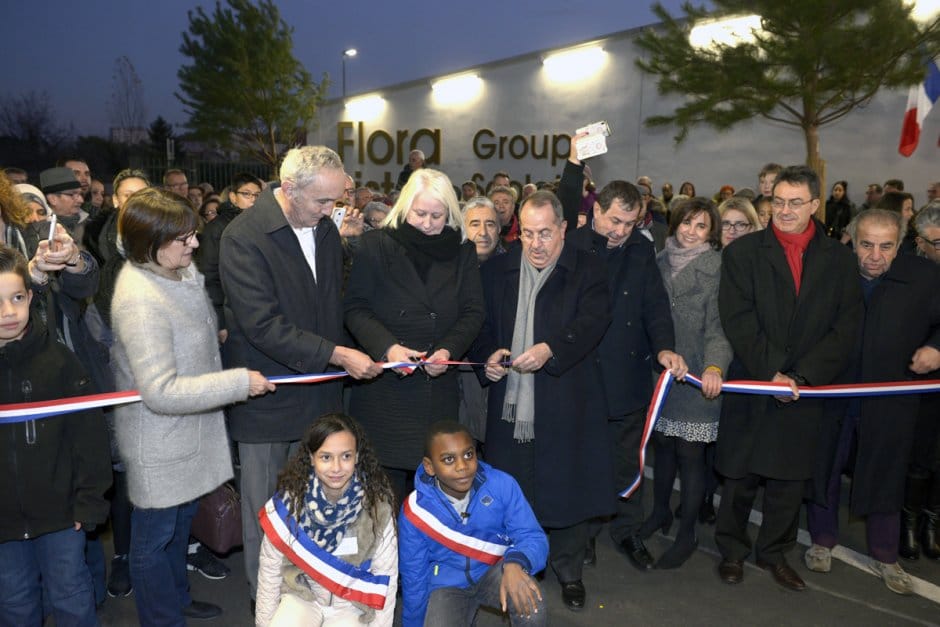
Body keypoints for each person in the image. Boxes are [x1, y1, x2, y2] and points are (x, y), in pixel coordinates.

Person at [220, 146, 381, 606]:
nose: (330, 212)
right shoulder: (243, 236)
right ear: (288, 189)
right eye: (322, 202)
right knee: (268, 514)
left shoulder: (325, 229)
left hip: (320, 395)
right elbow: (262, 326)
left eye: (335, 201)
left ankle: (313, 595)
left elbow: (331, 304)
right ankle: (266, 603)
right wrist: (337, 355)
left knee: (318, 507)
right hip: (268, 401)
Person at [111, 187, 276, 625]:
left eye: (193, 235)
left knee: (178, 530)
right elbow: (161, 390)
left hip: (189, 433)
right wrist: (238, 383)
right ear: (151, 241)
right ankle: (162, 618)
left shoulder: (175, 274)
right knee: (154, 541)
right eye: (184, 239)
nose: (196, 245)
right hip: (160, 442)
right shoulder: (139, 299)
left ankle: (178, 598)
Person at [715, 165, 863, 592]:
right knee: (740, 477)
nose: (784, 210)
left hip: (805, 389)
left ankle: (774, 553)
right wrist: (773, 373)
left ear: (815, 205)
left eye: (795, 203)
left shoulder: (838, 259)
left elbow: (846, 326)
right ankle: (732, 551)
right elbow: (737, 318)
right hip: (757, 382)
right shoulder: (743, 254)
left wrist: (801, 375)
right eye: (778, 201)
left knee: (789, 480)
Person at [470, 190, 613, 611]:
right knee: (513, 490)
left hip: (566, 400)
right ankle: (515, 567)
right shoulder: (498, 270)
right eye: (528, 233)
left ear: (564, 229)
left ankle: (569, 571)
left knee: (566, 489)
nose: (536, 243)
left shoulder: (588, 269)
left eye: (546, 233)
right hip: (509, 407)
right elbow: (481, 327)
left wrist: (552, 348)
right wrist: (488, 359)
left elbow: (594, 321)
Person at [556, 145, 683, 574]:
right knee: (586, 462)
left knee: (628, 463)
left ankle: (627, 531)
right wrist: (573, 164)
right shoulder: (572, 245)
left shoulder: (642, 251)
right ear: (597, 211)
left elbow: (655, 306)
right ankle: (584, 536)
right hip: (582, 377)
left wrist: (664, 346)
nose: (620, 231)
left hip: (627, 377)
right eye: (614, 220)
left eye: (630, 223)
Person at [805, 209, 940, 596]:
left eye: (886, 246)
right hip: (833, 393)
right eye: (866, 244)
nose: (876, 256)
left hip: (891, 398)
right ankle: (821, 539)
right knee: (825, 465)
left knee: (887, 471)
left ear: (900, 246)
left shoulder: (924, 278)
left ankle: (886, 554)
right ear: (851, 240)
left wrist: (935, 347)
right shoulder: (831, 274)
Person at [344, 168, 484, 498]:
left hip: (437, 389)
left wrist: (449, 350)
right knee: (382, 499)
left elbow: (473, 311)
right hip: (386, 391)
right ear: (405, 206)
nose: (427, 223)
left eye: (437, 215)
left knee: (434, 497)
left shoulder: (462, 250)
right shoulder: (375, 244)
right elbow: (355, 308)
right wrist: (388, 348)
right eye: (420, 213)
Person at [0, 244, 111, 626]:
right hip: (3, 523)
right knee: (14, 604)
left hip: (62, 515)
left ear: (31, 296)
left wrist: (88, 501)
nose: (7, 312)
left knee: (72, 597)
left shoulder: (61, 361)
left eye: (16, 297)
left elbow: (89, 438)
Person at [643, 197, 732, 569]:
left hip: (697, 377)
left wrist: (714, 367)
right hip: (661, 373)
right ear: (675, 223)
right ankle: (660, 512)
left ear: (711, 233)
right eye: (686, 223)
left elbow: (719, 328)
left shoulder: (719, 269)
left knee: (690, 456)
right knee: (663, 448)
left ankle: (687, 534)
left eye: (701, 227)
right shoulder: (658, 261)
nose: (691, 233)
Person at [399, 421, 548, 626]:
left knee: (531, 601)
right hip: (446, 585)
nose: (462, 466)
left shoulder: (501, 484)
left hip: (495, 569)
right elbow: (413, 577)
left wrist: (516, 563)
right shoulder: (415, 511)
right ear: (430, 467)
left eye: (468, 454)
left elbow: (532, 536)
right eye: (448, 459)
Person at [255, 414, 398, 626]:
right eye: (326, 457)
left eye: (346, 456)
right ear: (311, 458)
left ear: (357, 456)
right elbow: (270, 571)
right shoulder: (290, 503)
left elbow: (386, 576)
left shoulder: (378, 508)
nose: (337, 467)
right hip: (302, 596)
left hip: (352, 604)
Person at [197, 172, 264, 339]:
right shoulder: (217, 228)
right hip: (230, 315)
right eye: (246, 194)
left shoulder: (261, 225)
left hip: (257, 312)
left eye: (257, 195)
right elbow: (208, 276)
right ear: (233, 197)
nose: (253, 199)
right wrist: (220, 320)